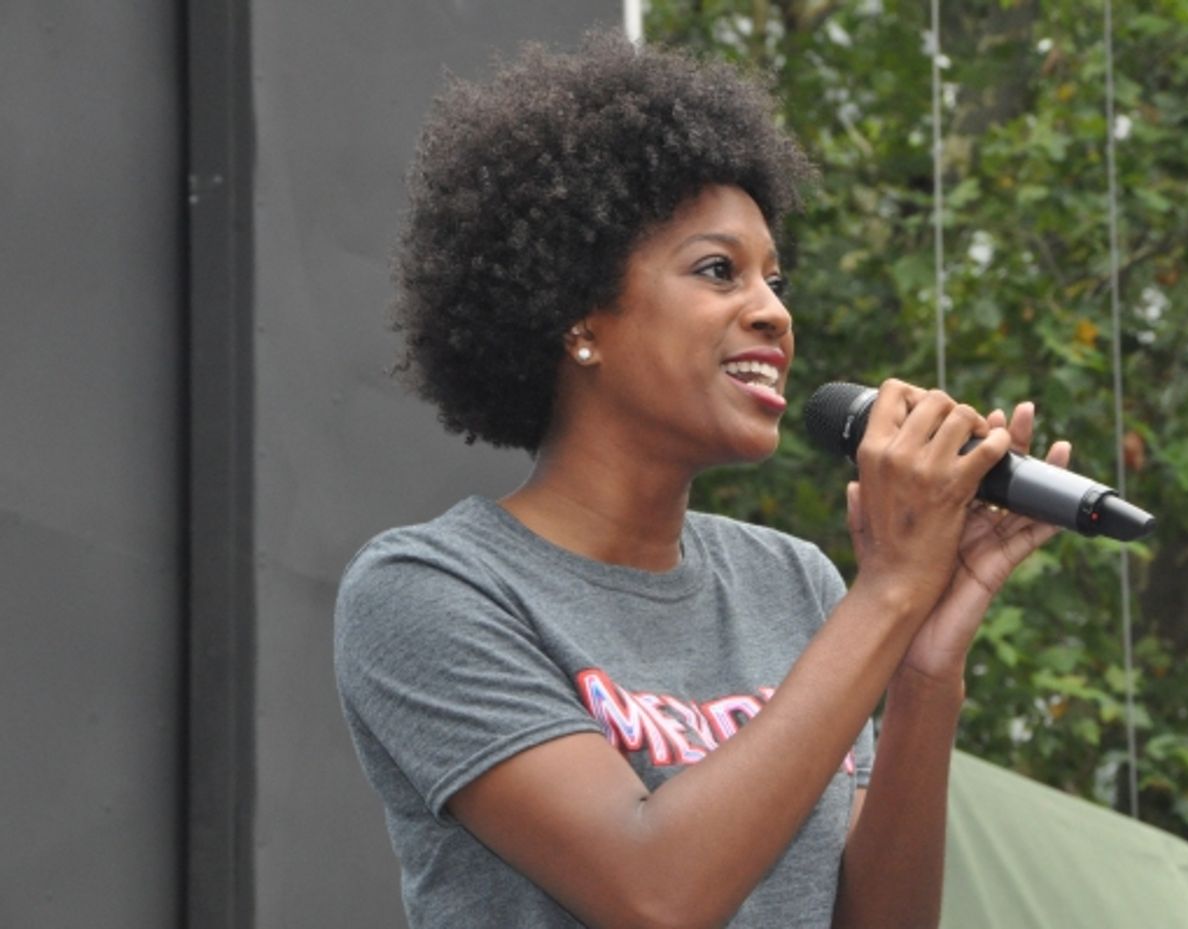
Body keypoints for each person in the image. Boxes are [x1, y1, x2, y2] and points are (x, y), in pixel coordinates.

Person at [334, 31, 1070, 929]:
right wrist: (887, 593)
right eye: (719, 270)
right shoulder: (431, 589)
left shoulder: (791, 581)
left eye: (775, 279)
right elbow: (657, 893)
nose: (773, 312)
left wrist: (923, 667)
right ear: (579, 317)